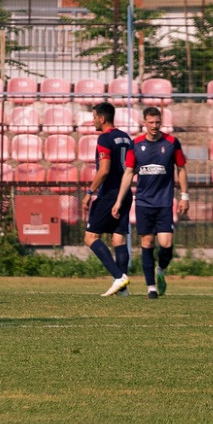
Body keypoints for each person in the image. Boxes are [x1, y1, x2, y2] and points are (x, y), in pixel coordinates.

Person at [113, 106, 188, 300]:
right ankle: (151, 288)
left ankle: (161, 270)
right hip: (144, 202)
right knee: (146, 242)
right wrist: (119, 200)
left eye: (157, 122)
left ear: (161, 122)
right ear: (144, 122)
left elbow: (181, 168)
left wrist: (184, 196)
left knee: (166, 243)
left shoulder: (171, 142)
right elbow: (129, 173)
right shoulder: (136, 144)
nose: (154, 126)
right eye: (151, 122)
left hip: (164, 202)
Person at [83, 102, 134, 297]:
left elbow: (103, 170)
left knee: (90, 237)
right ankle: (122, 290)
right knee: (118, 238)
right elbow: (130, 167)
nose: (93, 120)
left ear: (102, 118)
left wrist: (89, 192)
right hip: (126, 192)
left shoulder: (105, 138)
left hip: (110, 194)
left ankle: (118, 276)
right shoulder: (126, 138)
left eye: (94, 117)